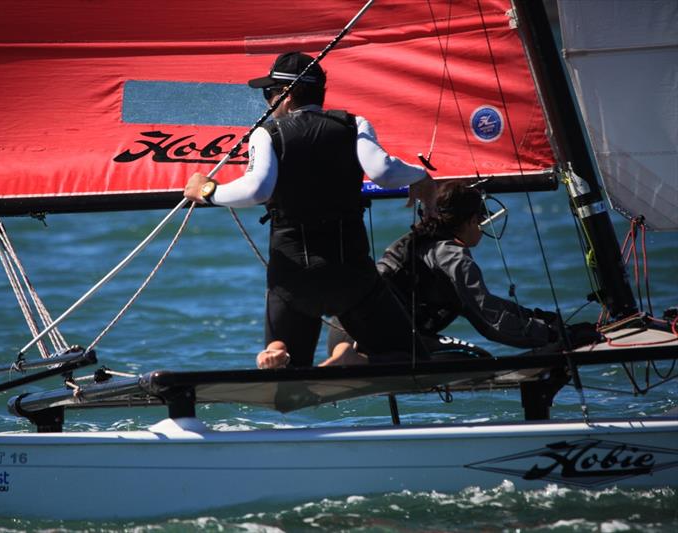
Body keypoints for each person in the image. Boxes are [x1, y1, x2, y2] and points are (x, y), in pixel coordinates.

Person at [184, 51, 431, 368]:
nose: (267, 102)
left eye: (269, 93)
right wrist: (422, 177)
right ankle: (351, 360)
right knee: (414, 362)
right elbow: (382, 172)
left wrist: (208, 191)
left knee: (287, 383)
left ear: (285, 97)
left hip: (293, 278)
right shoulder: (353, 124)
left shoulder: (268, 133)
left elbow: (258, 189)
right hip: (350, 272)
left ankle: (277, 353)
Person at [326, 180, 567, 362]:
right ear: (471, 220)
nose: (482, 228)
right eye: (481, 220)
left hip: (343, 329)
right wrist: (554, 337)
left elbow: (489, 305)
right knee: (477, 359)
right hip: (376, 340)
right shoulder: (454, 257)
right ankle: (358, 359)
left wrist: (539, 319)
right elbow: (492, 324)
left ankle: (345, 355)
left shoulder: (419, 241)